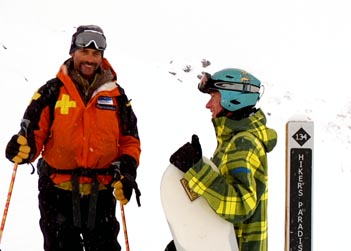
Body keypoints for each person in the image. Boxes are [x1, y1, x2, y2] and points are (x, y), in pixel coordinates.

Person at [5, 25, 141, 251]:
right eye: (84, 52)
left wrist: (127, 169)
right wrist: (23, 148)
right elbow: (33, 136)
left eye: (96, 54)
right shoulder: (51, 92)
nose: (90, 59)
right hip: (57, 193)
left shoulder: (116, 96)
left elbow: (130, 140)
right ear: (72, 53)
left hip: (101, 194)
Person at [166, 68, 277, 251]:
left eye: (213, 96)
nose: (208, 105)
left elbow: (240, 205)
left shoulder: (243, 143)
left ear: (232, 98)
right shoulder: (232, 141)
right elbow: (218, 206)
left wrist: (198, 170)